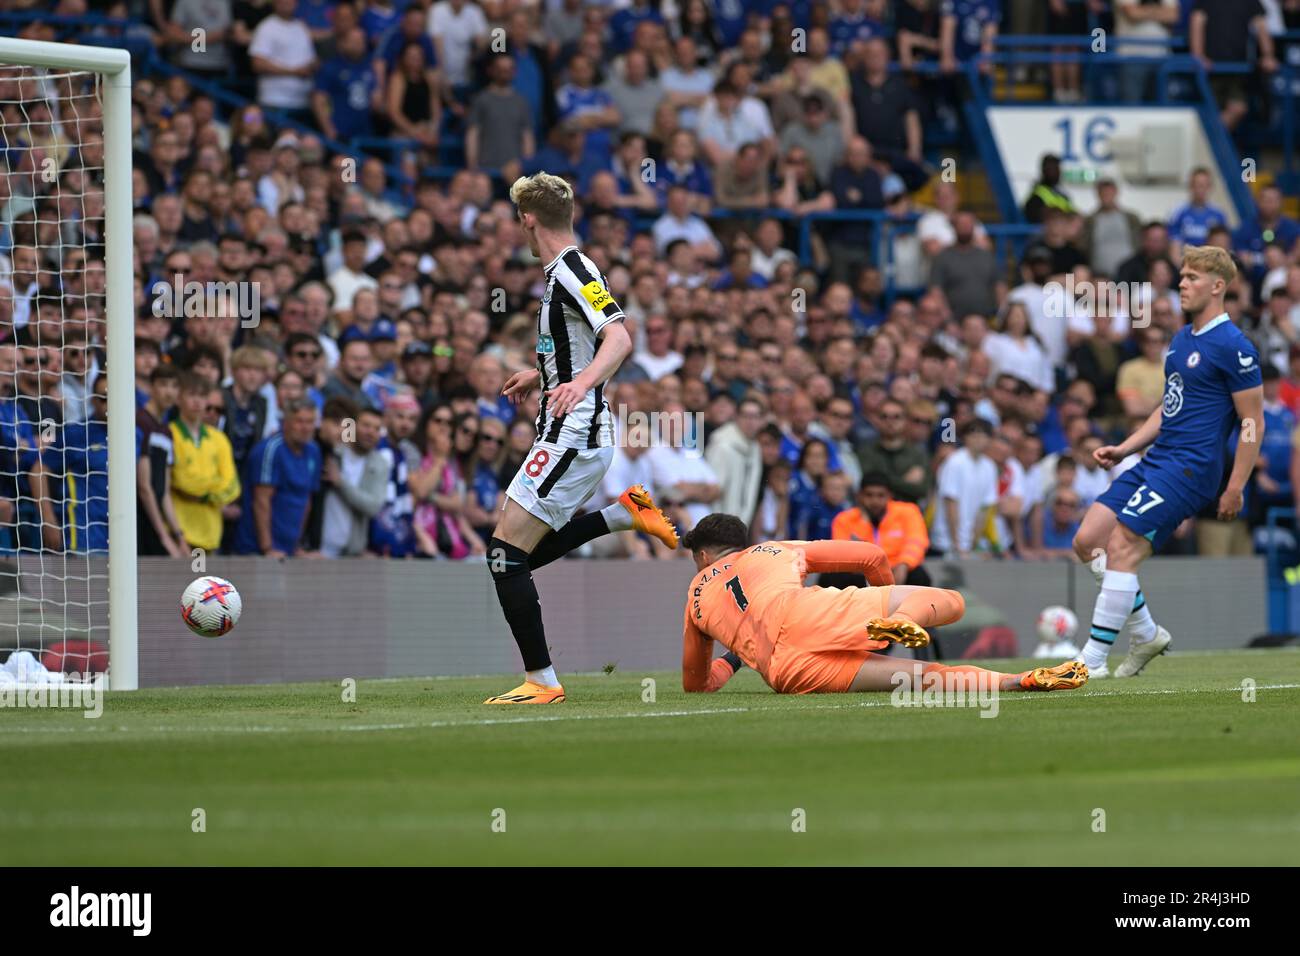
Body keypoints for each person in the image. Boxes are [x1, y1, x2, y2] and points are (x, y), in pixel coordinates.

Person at [483, 173, 678, 705]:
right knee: (510, 557)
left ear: (527, 218)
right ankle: (623, 514)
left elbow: (619, 336)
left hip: (576, 429)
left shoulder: (571, 268)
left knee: (504, 557)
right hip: (565, 425)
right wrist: (542, 374)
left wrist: (580, 382)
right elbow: (577, 343)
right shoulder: (561, 272)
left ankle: (542, 681)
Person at [1073, 246, 1264, 678]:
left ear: (1218, 286)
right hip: (1156, 459)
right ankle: (1146, 632)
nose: (1182, 283)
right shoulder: (1181, 340)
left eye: (1192, 277)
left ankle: (1091, 662)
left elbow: (1253, 422)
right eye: (1181, 275)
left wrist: (1236, 486)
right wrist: (1126, 447)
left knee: (1122, 547)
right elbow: (1169, 406)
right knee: (1088, 541)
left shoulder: (1234, 346)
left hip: (1191, 468)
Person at [678, 513, 1088, 694]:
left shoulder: (696, 597)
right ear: (742, 544)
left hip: (785, 670)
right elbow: (871, 556)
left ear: (702, 555)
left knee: (923, 678)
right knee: (949, 600)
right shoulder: (772, 549)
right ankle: (905, 622)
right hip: (809, 614)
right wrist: (884, 600)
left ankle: (1011, 684)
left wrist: (735, 658)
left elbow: (697, 684)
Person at [169, 373, 242, 554]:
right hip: (179, 533)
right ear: (178, 399)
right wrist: (212, 484)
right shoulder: (169, 434)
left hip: (211, 534)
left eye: (202, 396)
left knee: (204, 582)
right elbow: (180, 480)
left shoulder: (219, 439)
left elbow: (232, 486)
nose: (197, 402)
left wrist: (202, 495)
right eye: (191, 395)